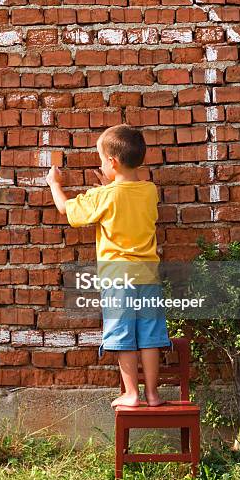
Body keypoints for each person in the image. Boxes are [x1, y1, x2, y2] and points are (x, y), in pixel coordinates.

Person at [46, 123, 172, 407]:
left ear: (112, 163)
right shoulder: (150, 191)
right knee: (150, 335)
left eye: (102, 160)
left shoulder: (104, 197)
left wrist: (55, 184)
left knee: (122, 332)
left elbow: (67, 210)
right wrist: (110, 187)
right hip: (148, 275)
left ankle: (132, 394)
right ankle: (153, 394)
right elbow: (125, 200)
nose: (101, 165)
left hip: (118, 278)